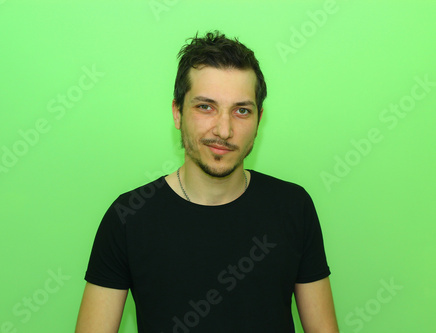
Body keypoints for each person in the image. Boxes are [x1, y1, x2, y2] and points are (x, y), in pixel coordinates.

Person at [75, 31, 339, 333]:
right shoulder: (129, 216)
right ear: (177, 113)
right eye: (205, 107)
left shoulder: (293, 207)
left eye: (241, 111)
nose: (224, 130)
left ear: (258, 119)